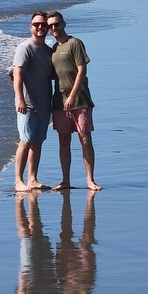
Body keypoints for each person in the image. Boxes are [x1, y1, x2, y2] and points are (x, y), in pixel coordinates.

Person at [46, 11, 99, 190]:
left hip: (80, 100)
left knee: (85, 138)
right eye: (50, 25)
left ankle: (90, 180)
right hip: (59, 101)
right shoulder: (53, 48)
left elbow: (82, 71)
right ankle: (65, 180)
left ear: (64, 24)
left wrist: (72, 96)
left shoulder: (74, 43)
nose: (53, 28)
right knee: (63, 140)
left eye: (56, 24)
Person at [11, 11, 54, 191]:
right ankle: (18, 181)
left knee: (37, 142)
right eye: (36, 24)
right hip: (27, 104)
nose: (40, 27)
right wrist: (20, 99)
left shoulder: (48, 51)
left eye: (43, 25)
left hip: (44, 104)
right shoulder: (25, 47)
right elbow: (17, 73)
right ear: (31, 27)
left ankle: (33, 179)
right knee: (26, 140)